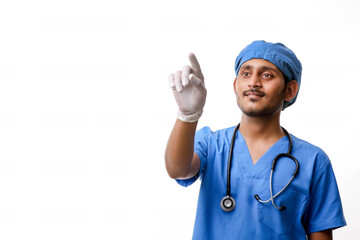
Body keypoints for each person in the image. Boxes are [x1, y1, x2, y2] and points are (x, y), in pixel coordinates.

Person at [165, 40, 346, 240]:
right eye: (246, 73)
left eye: (267, 75)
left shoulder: (313, 161)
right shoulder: (212, 144)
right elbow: (177, 170)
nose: (254, 82)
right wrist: (187, 116)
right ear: (235, 85)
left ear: (290, 90)